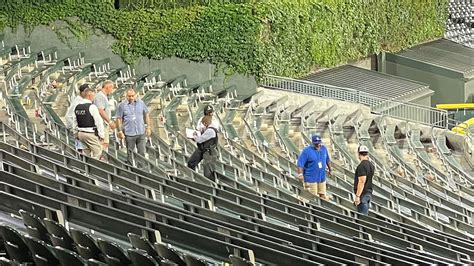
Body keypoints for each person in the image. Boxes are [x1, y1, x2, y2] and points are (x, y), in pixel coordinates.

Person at [115, 88, 151, 167]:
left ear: (136, 95)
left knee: (141, 152)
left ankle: (142, 168)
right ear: (126, 96)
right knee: (130, 152)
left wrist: (148, 127)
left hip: (140, 131)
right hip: (129, 132)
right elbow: (119, 118)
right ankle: (131, 168)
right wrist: (120, 131)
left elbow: (147, 114)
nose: (131, 97)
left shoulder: (141, 103)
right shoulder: (122, 105)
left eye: (132, 96)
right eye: (129, 96)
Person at [296, 134, 332, 199]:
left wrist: (330, 170)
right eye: (316, 144)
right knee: (313, 197)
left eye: (319, 143)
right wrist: (300, 175)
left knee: (323, 195)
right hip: (311, 178)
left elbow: (328, 160)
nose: (318, 145)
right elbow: (300, 164)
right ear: (312, 143)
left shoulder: (324, 149)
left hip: (321, 177)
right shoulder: (307, 151)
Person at [73, 88, 105, 160]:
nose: (94, 98)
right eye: (93, 96)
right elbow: (98, 122)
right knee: (98, 152)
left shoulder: (77, 107)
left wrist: (75, 133)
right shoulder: (92, 107)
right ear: (89, 96)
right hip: (90, 134)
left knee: (86, 153)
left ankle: (85, 167)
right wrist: (101, 135)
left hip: (80, 133)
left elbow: (74, 122)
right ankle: (95, 169)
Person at [188, 116, 218, 180]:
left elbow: (199, 140)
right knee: (191, 163)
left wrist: (194, 136)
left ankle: (211, 186)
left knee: (208, 172)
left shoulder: (210, 131)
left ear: (205, 123)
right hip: (204, 150)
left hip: (209, 152)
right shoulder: (209, 129)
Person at [65, 83, 90, 152]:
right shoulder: (77, 101)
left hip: (80, 127)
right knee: (81, 147)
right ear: (83, 92)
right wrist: (75, 129)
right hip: (77, 127)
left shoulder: (83, 100)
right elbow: (71, 116)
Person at [94, 80, 116, 152]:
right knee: (103, 143)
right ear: (107, 87)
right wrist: (109, 121)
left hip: (104, 124)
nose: (112, 90)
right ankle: (102, 159)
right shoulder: (100, 96)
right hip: (101, 124)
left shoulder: (104, 96)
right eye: (112, 88)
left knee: (105, 143)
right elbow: (101, 110)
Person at [353, 145, 375, 215]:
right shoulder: (371, 165)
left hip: (363, 195)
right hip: (369, 193)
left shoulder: (361, 166)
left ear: (359, 154)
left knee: (362, 217)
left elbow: (362, 182)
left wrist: (357, 196)